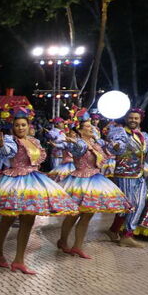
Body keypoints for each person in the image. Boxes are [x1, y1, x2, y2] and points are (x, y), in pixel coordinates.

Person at [0, 107, 78, 274]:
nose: (20, 128)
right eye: (17, 125)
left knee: (28, 221)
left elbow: (39, 158)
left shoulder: (34, 141)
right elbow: (7, 152)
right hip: (15, 182)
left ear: (28, 126)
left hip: (34, 181)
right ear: (13, 127)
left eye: (23, 125)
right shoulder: (11, 140)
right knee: (7, 219)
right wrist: (1, 144)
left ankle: (19, 260)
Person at [53, 110, 132, 258]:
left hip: (95, 180)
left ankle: (77, 246)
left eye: (92, 126)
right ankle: (63, 241)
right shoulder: (79, 143)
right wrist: (73, 142)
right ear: (80, 130)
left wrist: (115, 145)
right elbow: (77, 149)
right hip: (80, 181)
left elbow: (111, 151)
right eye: (88, 127)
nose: (92, 128)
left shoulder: (96, 144)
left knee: (88, 215)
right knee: (74, 214)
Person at [104, 108, 148, 247]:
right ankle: (126, 235)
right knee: (130, 205)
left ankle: (115, 231)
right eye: (131, 118)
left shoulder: (143, 135)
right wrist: (116, 146)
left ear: (140, 120)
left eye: (136, 118)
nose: (133, 120)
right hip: (124, 174)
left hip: (139, 174)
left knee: (139, 204)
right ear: (126, 119)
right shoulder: (120, 132)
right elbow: (117, 147)